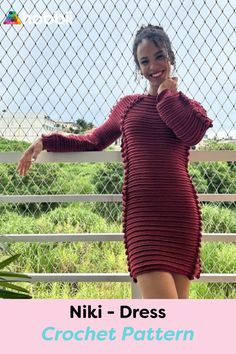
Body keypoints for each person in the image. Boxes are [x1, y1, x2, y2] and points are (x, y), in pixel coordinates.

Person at [17, 24, 213, 299]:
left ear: (170, 57)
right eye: (144, 61)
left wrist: (167, 95)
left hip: (180, 217)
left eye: (159, 56)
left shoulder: (186, 106)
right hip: (143, 219)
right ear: (138, 67)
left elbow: (191, 134)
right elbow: (93, 140)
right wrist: (45, 141)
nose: (153, 66)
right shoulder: (128, 105)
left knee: (175, 323)